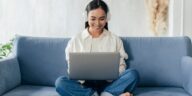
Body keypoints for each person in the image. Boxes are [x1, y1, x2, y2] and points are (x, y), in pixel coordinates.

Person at [55, 0, 139, 96]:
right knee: (60, 82)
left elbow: (122, 65)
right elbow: (71, 68)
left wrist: (110, 74)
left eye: (102, 19)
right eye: (93, 19)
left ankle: (104, 93)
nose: (98, 23)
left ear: (107, 18)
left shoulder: (115, 39)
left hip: (109, 84)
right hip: (84, 86)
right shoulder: (75, 40)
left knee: (133, 74)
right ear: (86, 17)